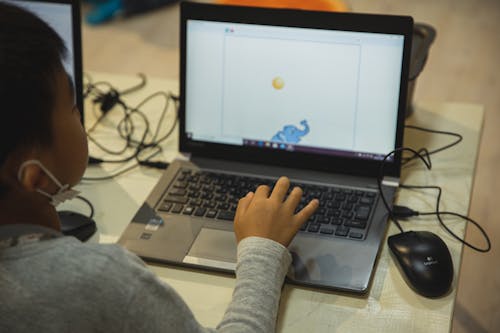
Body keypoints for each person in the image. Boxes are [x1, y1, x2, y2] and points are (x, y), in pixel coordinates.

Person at [0, 3, 319, 332]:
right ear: (33, 175)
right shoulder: (101, 282)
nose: (81, 114)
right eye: (72, 106)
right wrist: (262, 250)